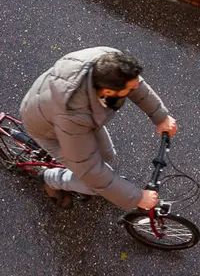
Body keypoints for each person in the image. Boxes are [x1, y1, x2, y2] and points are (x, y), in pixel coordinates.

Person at [19, 47, 178, 210]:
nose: (135, 87)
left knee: (107, 155)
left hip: (53, 104)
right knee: (92, 185)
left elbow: (137, 85)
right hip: (50, 128)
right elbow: (89, 169)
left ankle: (101, 181)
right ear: (108, 91)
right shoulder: (73, 114)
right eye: (130, 89)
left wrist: (161, 117)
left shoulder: (108, 60)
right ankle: (49, 179)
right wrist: (136, 196)